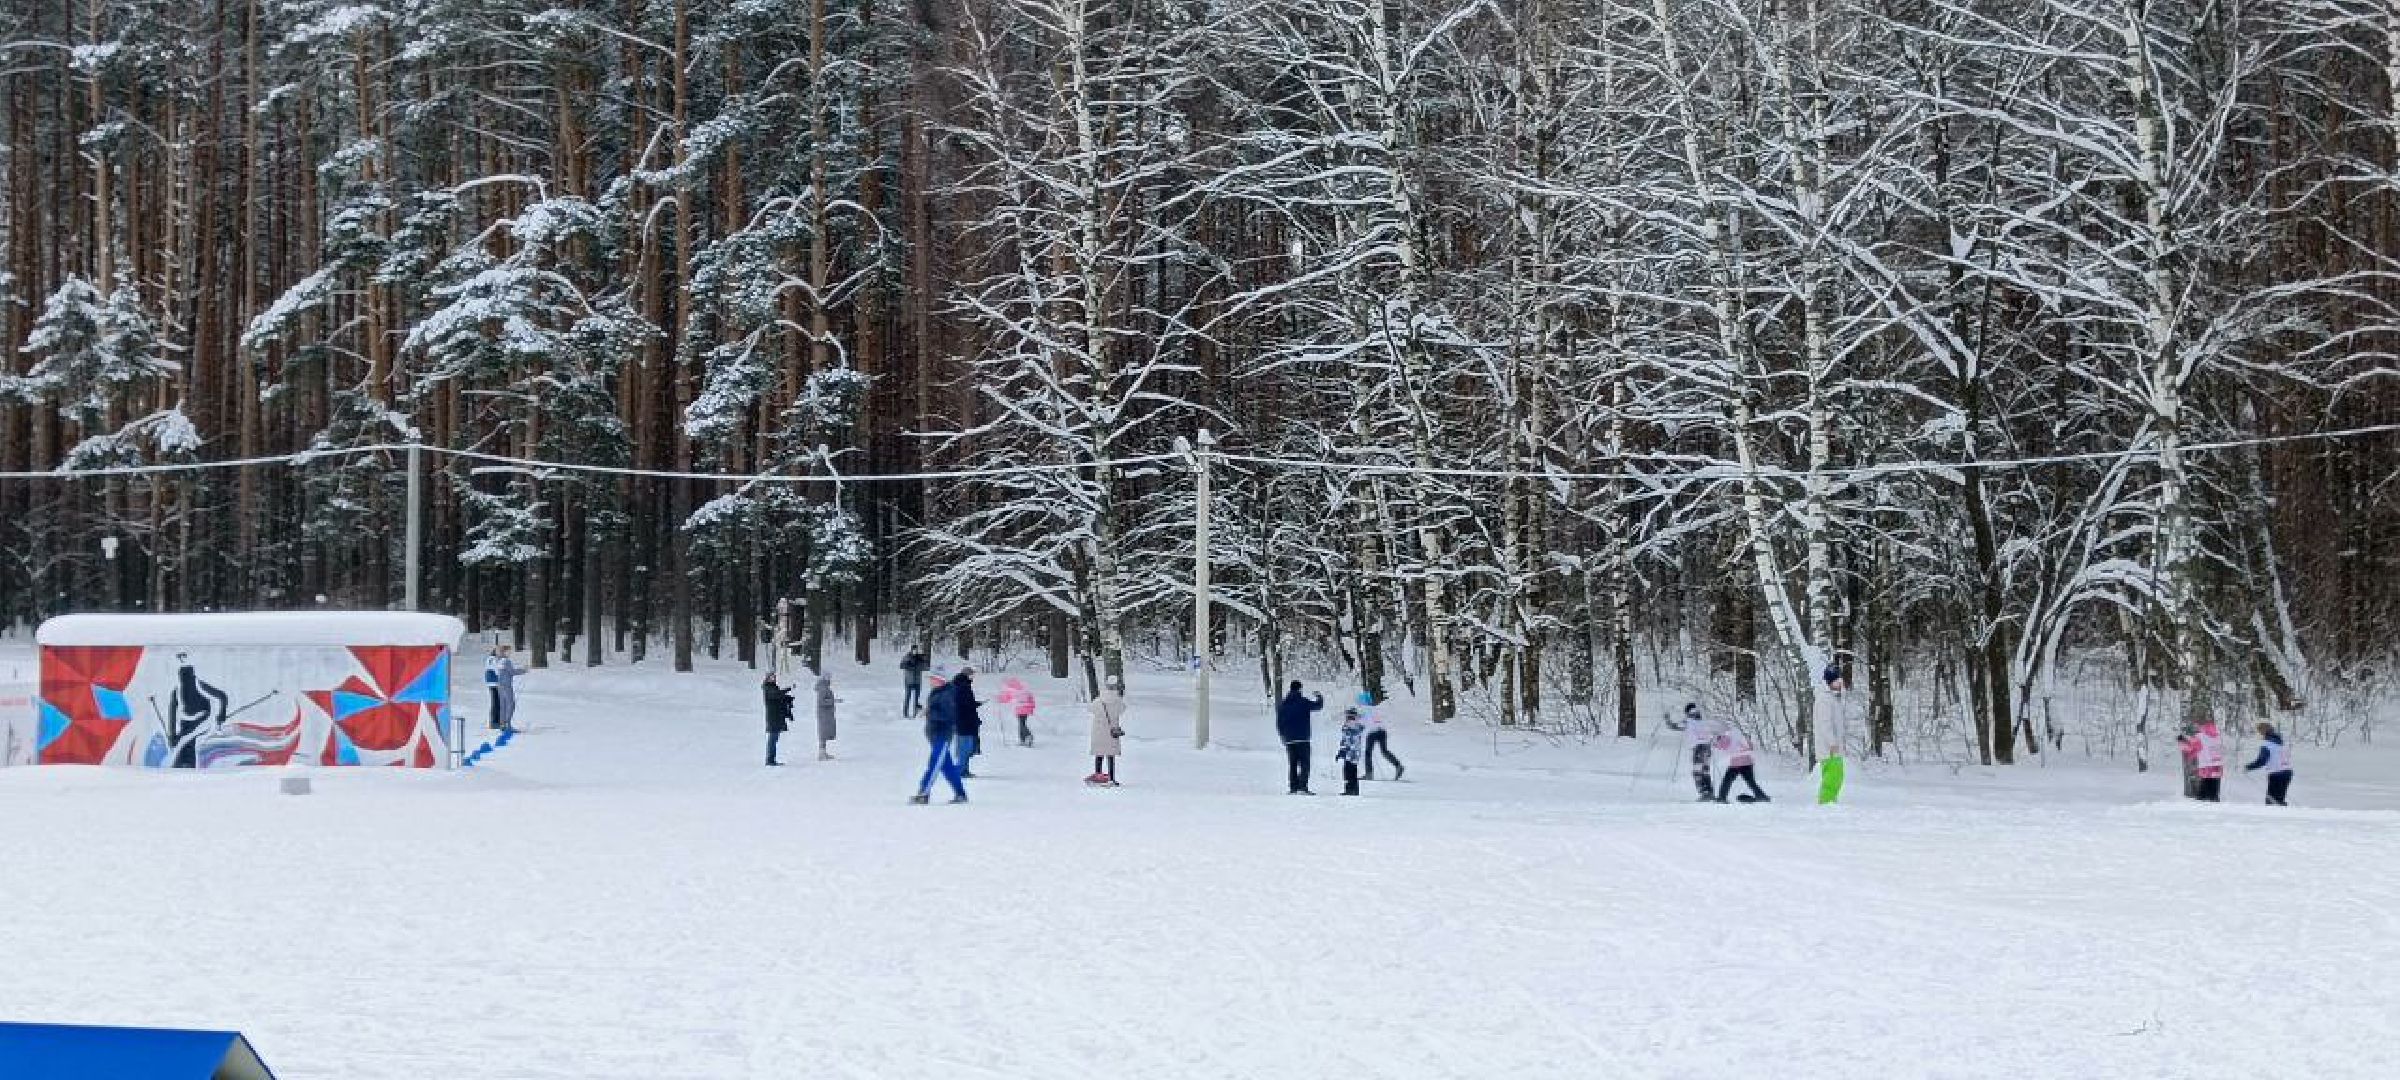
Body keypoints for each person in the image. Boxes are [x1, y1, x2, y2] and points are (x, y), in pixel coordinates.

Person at [911, 676, 968, 805]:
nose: (931, 681)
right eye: (931, 678)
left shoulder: (947, 695)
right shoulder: (937, 692)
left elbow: (949, 716)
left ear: (941, 680)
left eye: (934, 678)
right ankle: (960, 794)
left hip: (942, 736)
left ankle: (923, 793)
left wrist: (929, 712)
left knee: (934, 764)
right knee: (947, 768)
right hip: (936, 736)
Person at [170, 652, 230, 770]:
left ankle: (188, 769)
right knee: (183, 749)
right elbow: (172, 712)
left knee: (187, 745)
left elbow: (222, 696)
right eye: (182, 676)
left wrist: (221, 715)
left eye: (188, 675)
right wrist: (172, 735)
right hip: (185, 724)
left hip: (201, 721)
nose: (185, 679)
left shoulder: (199, 685)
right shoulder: (176, 690)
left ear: (192, 674)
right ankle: (183, 769)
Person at [1276, 681, 1324, 794]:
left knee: (1293, 764)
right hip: (1303, 738)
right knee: (1304, 763)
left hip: (1289, 739)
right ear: (1300, 689)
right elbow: (1318, 706)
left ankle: (1293, 787)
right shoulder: (1303, 702)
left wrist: (1282, 735)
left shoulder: (1283, 704)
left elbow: (1279, 722)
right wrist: (1319, 697)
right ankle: (1302, 787)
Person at [1667, 702, 1720, 802]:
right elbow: (1714, 732)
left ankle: (1704, 793)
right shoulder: (1704, 721)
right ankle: (1709, 792)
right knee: (1705, 771)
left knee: (1697, 771)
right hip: (1707, 748)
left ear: (1687, 712)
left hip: (1698, 749)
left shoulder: (1688, 722)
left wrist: (1667, 718)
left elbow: (1673, 726)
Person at [1815, 664, 1849, 805]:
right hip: (1828, 748)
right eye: (1837, 680)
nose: (1840, 683)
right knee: (1834, 776)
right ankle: (1825, 802)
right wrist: (1832, 743)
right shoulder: (1824, 699)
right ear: (1830, 682)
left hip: (1834, 747)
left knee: (1835, 775)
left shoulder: (1833, 697)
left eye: (1840, 680)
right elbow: (1825, 724)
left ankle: (1830, 801)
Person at [1713, 725, 1770, 803]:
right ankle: (1761, 796)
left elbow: (1722, 746)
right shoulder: (1740, 738)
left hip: (1736, 764)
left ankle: (1722, 797)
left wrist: (1715, 743)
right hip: (1747, 762)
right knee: (1750, 781)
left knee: (1727, 781)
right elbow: (1750, 747)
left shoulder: (1726, 738)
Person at [1088, 678, 1126, 786]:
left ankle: (1098, 776)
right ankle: (1111, 778)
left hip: (1098, 733)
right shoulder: (1118, 702)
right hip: (1111, 732)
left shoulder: (1097, 701)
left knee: (1099, 755)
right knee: (1111, 756)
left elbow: (1090, 709)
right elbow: (1123, 709)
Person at [2245, 722, 2292, 806]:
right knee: (2279, 800)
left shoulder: (2266, 745)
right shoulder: (2280, 743)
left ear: (2263, 732)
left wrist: (2248, 767)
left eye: (2259, 732)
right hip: (2287, 772)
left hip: (2276, 774)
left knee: (2271, 802)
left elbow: (2261, 761)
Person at [2180, 718, 2227, 802]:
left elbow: (2190, 749)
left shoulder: (2200, 737)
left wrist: (2181, 742)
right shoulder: (2218, 736)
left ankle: (2201, 802)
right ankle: (2214, 801)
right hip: (2217, 766)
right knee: (2214, 787)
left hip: (2206, 766)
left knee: (2204, 787)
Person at [1360, 692, 1404, 781]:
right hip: (1382, 731)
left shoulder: (1364, 710)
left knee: (1368, 753)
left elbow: (1363, 723)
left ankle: (1369, 774)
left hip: (1372, 732)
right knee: (1384, 751)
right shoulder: (1375, 709)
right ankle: (1398, 765)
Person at [951, 666, 985, 777]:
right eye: (971, 675)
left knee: (967, 747)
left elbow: (966, 702)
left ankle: (964, 770)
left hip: (964, 720)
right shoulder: (962, 686)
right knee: (965, 747)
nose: (973, 677)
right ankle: (961, 771)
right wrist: (973, 705)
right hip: (964, 721)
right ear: (967, 675)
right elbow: (964, 704)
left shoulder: (961, 685)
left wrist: (975, 703)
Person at [485, 645, 527, 733]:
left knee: (502, 705)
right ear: (504, 652)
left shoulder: (498, 660)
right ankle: (507, 724)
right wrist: (524, 670)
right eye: (509, 651)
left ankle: (502, 724)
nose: (510, 653)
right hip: (505, 685)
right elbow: (512, 672)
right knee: (510, 704)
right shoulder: (505, 661)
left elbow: (499, 671)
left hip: (499, 685)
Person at [762, 674, 793, 767]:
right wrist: (788, 689)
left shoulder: (774, 687)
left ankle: (771, 759)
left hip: (777, 716)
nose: (773, 679)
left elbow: (778, 697)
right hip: (773, 717)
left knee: (774, 739)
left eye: (774, 677)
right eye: (771, 677)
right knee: (772, 739)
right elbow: (776, 695)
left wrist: (787, 699)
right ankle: (770, 760)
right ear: (767, 678)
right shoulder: (767, 688)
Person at [1336, 707, 1367, 795]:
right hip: (1354, 753)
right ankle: (1354, 789)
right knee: (1353, 771)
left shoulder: (1349, 727)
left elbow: (1347, 741)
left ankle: (1350, 789)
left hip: (1350, 753)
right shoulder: (1356, 726)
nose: (1347, 718)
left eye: (1348, 716)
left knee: (1348, 771)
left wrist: (1342, 751)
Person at [814, 669, 838, 761]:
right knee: (823, 733)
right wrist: (833, 701)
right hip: (824, 715)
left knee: (824, 733)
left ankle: (823, 752)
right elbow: (822, 701)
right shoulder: (823, 688)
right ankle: (821, 753)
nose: (830, 679)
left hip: (825, 714)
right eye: (829, 677)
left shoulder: (823, 687)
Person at [900, 650, 927, 717]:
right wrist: (909, 664)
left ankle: (915, 713)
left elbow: (925, 667)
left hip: (917, 682)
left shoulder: (919, 658)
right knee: (907, 698)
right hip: (909, 682)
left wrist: (920, 662)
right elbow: (902, 665)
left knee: (916, 699)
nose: (915, 652)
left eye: (916, 650)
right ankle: (905, 714)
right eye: (913, 650)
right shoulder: (907, 657)